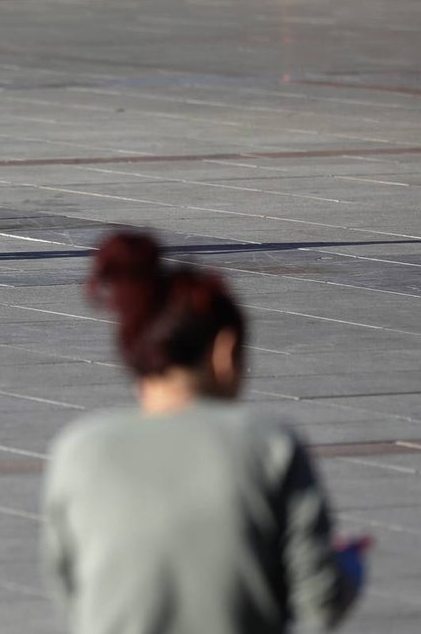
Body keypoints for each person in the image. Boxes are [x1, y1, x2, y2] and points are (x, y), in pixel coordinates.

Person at [41, 231, 370, 634]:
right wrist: (351, 566)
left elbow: (72, 593)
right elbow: (321, 601)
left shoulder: (78, 449)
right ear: (225, 351)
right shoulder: (268, 446)